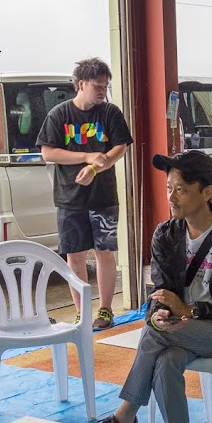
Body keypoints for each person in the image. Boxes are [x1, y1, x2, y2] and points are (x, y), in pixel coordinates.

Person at [95, 151, 212, 423]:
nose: (172, 197)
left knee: (154, 334)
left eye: (182, 190)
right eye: (169, 188)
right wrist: (160, 312)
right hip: (182, 328)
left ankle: (125, 414)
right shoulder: (166, 234)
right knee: (165, 361)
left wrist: (189, 310)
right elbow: (161, 291)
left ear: (207, 192)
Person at [38, 57, 134, 331]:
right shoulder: (59, 114)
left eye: (105, 85)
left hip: (103, 197)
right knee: (75, 256)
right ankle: (81, 312)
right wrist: (87, 156)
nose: (103, 90)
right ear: (81, 84)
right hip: (69, 198)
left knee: (104, 252)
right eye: (97, 85)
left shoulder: (110, 113)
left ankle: (105, 310)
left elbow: (119, 147)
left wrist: (96, 165)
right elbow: (49, 153)